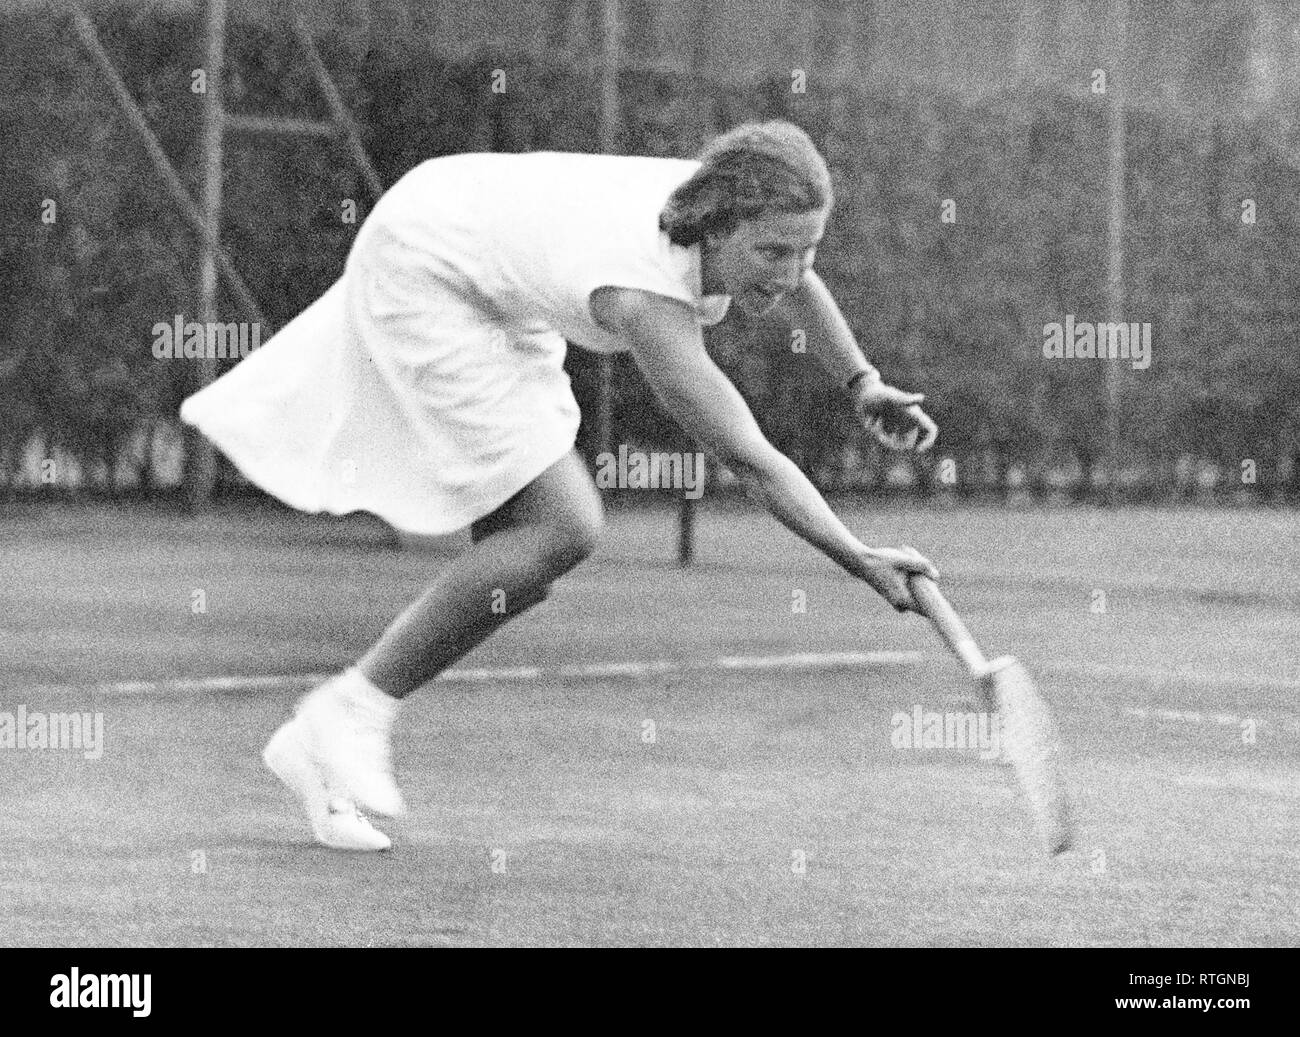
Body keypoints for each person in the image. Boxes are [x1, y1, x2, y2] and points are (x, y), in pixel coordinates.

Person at [180, 120, 941, 851]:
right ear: (717, 226)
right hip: (428, 265)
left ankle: (323, 754)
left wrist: (861, 381)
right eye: (771, 252)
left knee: (526, 558)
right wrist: (858, 556)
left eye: (806, 249)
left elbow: (802, 280)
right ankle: (344, 715)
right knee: (560, 526)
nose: (789, 273)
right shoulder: (641, 296)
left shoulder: (730, 207)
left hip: (488, 263)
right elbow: (748, 457)